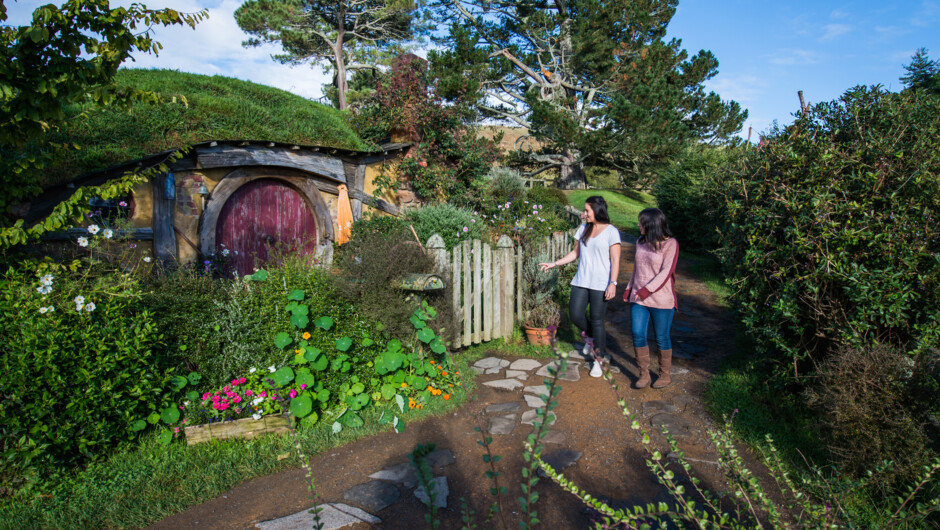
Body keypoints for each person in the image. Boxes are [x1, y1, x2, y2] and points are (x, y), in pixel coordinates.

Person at [540, 196, 621, 378]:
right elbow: (575, 253)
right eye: (584, 211)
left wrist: (613, 283)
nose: (584, 214)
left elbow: (615, 260)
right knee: (576, 315)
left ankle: (598, 361)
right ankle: (591, 339)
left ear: (597, 210)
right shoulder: (584, 228)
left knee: (597, 320)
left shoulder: (611, 232)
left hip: (601, 283)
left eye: (587, 211)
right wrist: (554, 264)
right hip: (582, 280)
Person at [623, 208, 679, 388]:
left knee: (661, 337)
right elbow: (637, 269)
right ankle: (644, 375)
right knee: (638, 334)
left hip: (661, 300)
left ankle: (664, 375)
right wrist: (629, 287)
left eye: (641, 222)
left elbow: (666, 272)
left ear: (651, 224)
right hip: (638, 298)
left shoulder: (671, 244)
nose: (638, 225)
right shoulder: (641, 242)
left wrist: (647, 290)